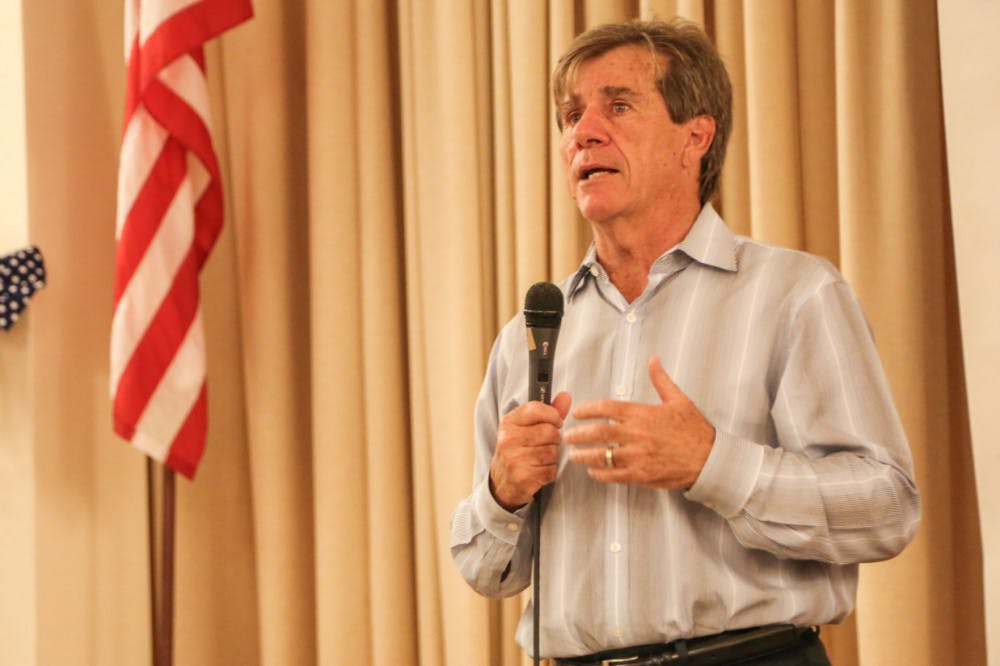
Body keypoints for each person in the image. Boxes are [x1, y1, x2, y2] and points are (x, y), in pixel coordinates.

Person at [450, 18, 920, 666]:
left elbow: (887, 507)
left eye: (617, 105)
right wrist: (502, 493)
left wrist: (711, 463)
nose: (582, 131)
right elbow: (485, 570)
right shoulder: (530, 336)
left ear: (695, 136)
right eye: (570, 115)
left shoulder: (793, 294)